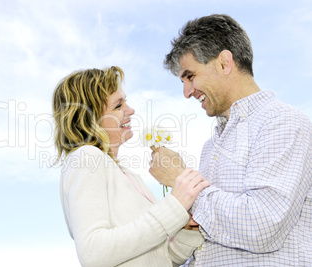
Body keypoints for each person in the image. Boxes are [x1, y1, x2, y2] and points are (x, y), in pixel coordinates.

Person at [150, 14, 312, 266]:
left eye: (190, 76)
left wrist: (182, 181)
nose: (186, 92)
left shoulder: (283, 122)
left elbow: (263, 226)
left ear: (224, 63)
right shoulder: (211, 146)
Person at [52, 66, 210, 266]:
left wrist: (188, 230)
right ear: (90, 119)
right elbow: (93, 252)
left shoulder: (128, 174)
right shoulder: (86, 158)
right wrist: (174, 205)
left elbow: (164, 258)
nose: (131, 110)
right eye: (118, 106)